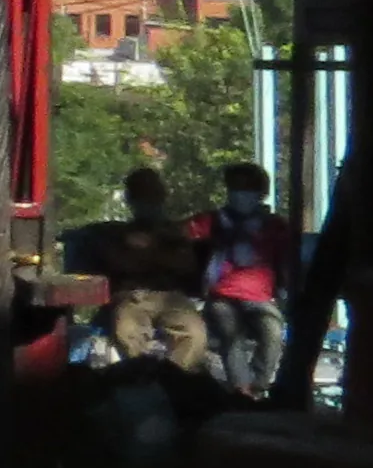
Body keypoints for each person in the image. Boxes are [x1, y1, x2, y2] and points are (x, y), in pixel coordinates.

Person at [191, 162, 299, 395]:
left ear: (261, 192)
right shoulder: (215, 220)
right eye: (235, 187)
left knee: (272, 331)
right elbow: (183, 232)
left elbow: (287, 262)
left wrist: (285, 291)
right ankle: (242, 390)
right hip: (222, 295)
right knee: (230, 333)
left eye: (247, 187)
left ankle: (258, 384)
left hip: (261, 299)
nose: (240, 193)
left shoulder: (275, 226)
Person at [95, 166, 208, 370]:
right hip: (133, 297)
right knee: (127, 331)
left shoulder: (176, 233)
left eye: (153, 197)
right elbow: (117, 264)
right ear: (131, 200)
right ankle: (144, 376)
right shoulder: (118, 234)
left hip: (172, 298)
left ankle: (171, 377)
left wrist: (150, 250)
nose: (148, 203)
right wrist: (158, 255)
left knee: (194, 334)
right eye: (141, 197)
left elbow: (186, 265)